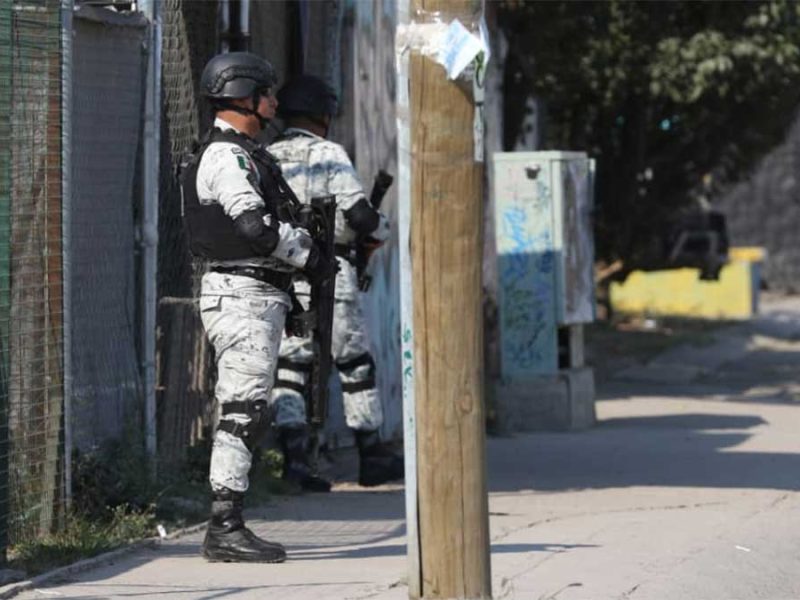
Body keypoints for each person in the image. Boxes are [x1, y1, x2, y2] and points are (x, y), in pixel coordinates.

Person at [181, 53, 332, 563]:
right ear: (244, 96)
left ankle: (229, 520)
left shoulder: (248, 152)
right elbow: (255, 229)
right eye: (266, 93)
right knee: (242, 409)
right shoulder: (227, 157)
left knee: (251, 407)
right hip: (242, 294)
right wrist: (306, 252)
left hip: (258, 293)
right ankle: (224, 526)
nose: (274, 101)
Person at [267, 74, 403, 491]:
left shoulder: (266, 155)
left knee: (290, 367)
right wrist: (380, 231)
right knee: (354, 363)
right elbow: (360, 217)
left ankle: (295, 461)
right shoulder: (329, 154)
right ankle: (371, 454)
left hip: (282, 275)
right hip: (331, 272)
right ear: (323, 114)